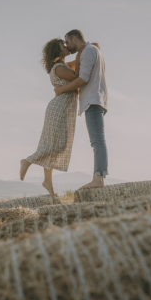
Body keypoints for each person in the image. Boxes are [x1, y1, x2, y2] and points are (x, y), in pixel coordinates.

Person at [19, 38, 80, 196]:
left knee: (55, 144)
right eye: (63, 46)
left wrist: (82, 50)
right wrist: (83, 50)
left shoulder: (62, 65)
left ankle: (48, 183)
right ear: (58, 51)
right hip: (59, 108)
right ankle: (27, 161)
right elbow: (77, 76)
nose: (66, 47)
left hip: (62, 108)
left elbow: (77, 63)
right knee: (55, 146)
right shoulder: (59, 67)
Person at [52, 29, 108, 190]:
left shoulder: (88, 51)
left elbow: (82, 78)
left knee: (97, 140)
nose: (67, 46)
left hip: (93, 100)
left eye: (67, 42)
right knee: (97, 140)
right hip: (95, 99)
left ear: (74, 39)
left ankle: (98, 178)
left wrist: (61, 90)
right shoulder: (89, 50)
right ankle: (98, 177)